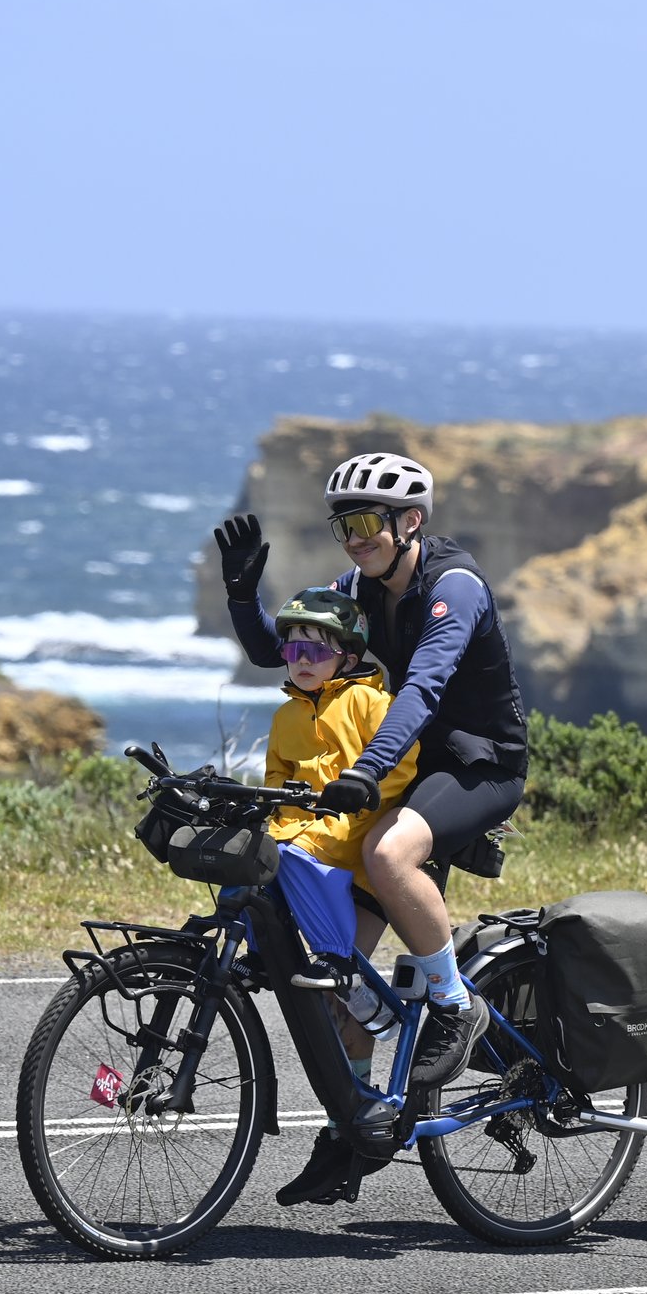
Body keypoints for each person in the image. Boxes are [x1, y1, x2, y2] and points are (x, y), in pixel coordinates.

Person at [214, 452, 531, 1180]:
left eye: (365, 522)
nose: (352, 537)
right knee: (337, 982)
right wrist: (241, 594)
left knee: (389, 855)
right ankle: (354, 1133)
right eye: (342, 524)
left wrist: (364, 768)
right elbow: (289, 646)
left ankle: (454, 1003)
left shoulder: (456, 587)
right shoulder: (355, 586)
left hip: (476, 765)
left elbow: (421, 689)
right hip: (399, 768)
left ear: (409, 521)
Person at [256, 587, 420, 1204]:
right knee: (329, 1005)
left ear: (348, 656)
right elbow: (278, 788)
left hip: (360, 868)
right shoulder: (284, 717)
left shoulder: (370, 703)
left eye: (316, 650)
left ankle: (353, 1119)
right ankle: (348, 1118)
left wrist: (322, 824)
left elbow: (393, 776)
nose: (300, 658)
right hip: (311, 862)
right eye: (291, 646)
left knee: (340, 996)